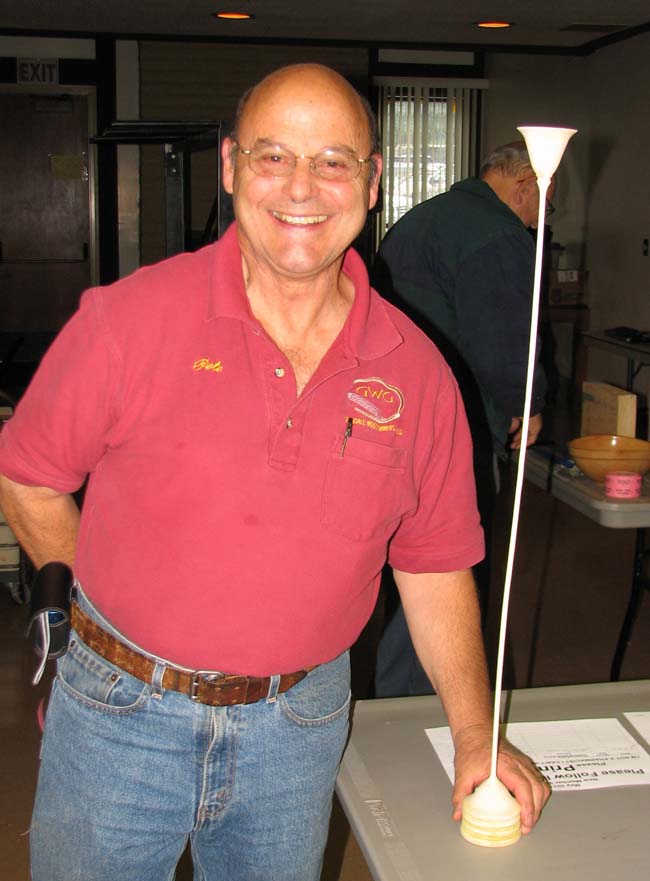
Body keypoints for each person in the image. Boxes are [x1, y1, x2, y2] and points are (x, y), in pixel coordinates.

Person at [0, 65, 549, 881]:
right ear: (230, 167)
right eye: (273, 156)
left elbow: (434, 566)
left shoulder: (420, 373)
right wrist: (105, 620)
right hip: (118, 714)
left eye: (333, 161)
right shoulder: (128, 321)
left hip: (298, 727)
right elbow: (28, 473)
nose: (301, 187)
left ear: (372, 183)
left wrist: (475, 734)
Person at [373, 141, 553, 698]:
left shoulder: (421, 219)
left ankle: (399, 700)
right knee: (450, 568)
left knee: (406, 565)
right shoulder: (496, 234)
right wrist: (528, 402)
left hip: (392, 416)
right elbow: (505, 342)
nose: (541, 215)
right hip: (458, 426)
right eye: (545, 201)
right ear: (524, 185)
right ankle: (429, 706)